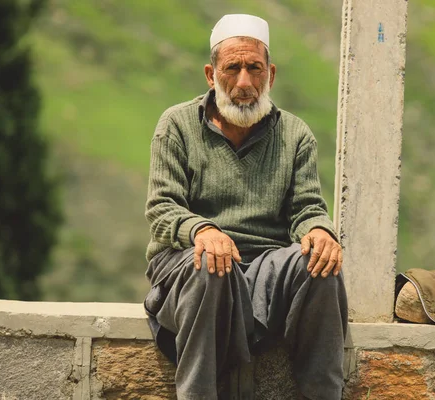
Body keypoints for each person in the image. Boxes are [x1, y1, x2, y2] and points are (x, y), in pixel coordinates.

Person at [143, 14, 348, 400]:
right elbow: (162, 208)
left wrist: (320, 230)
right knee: (211, 266)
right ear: (210, 74)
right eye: (232, 69)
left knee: (322, 265)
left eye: (254, 69)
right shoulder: (177, 125)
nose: (243, 83)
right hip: (189, 265)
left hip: (264, 268)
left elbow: (307, 208)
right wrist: (203, 231)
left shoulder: (295, 134)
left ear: (270, 75)